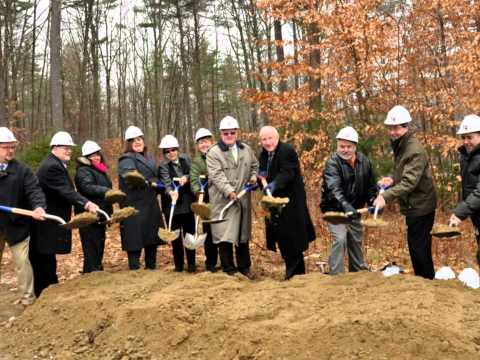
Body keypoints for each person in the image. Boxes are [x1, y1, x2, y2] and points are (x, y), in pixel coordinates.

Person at [30, 131, 99, 296]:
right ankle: (44, 294)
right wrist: (87, 203)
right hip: (45, 222)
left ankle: (48, 290)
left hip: (48, 221)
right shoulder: (52, 166)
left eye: (70, 148)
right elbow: (66, 191)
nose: (69, 151)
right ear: (54, 148)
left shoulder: (55, 164)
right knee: (44, 259)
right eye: (65, 147)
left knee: (47, 258)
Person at [374, 105, 437, 279]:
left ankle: (426, 282)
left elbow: (410, 182)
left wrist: (385, 196)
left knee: (419, 248)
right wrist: (392, 180)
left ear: (406, 127)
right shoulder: (402, 146)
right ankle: (423, 280)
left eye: (397, 128)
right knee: (416, 246)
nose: (393, 132)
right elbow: (404, 172)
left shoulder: (414, 150)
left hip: (421, 205)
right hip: (413, 204)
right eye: (390, 128)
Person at [258, 126, 316, 279]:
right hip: (275, 205)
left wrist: (275, 184)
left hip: (291, 203)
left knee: (293, 239)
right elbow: (262, 175)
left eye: (270, 138)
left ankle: (296, 275)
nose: (267, 142)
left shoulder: (286, 151)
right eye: (264, 139)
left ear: (277, 137)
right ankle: (292, 273)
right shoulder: (263, 155)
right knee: (282, 238)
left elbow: (288, 172)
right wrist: (260, 182)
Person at [206, 116, 258, 277]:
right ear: (221, 133)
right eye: (226, 133)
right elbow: (216, 175)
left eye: (232, 132)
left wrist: (254, 177)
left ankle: (244, 267)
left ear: (236, 132)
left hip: (242, 199)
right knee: (224, 234)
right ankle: (229, 269)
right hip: (223, 201)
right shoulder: (213, 152)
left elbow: (255, 165)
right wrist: (229, 191)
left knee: (242, 235)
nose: (229, 135)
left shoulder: (246, 149)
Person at [320, 126, 376, 275]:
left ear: (355, 146)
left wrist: (372, 200)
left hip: (356, 209)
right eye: (341, 146)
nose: (344, 150)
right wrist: (345, 205)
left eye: (348, 147)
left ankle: (357, 273)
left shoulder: (364, 161)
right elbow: (334, 189)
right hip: (335, 211)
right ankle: (336, 275)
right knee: (340, 239)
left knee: (355, 241)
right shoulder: (332, 163)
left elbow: (370, 185)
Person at [0, 127, 46, 305]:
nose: (10, 150)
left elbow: (34, 190)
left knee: (22, 263)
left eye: (12, 147)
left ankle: (27, 300)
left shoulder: (22, 170)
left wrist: (39, 207)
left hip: (16, 224)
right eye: (6, 147)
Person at [118, 126, 163, 270]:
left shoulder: (149, 158)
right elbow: (131, 177)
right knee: (135, 243)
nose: (137, 142)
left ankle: (151, 269)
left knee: (151, 241)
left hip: (150, 204)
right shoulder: (126, 159)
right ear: (128, 143)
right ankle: (135, 273)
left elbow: (156, 176)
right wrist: (152, 183)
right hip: (134, 207)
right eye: (133, 140)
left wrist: (164, 186)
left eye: (139, 139)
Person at [158, 134, 197, 273]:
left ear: (177, 149)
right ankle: (179, 265)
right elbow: (166, 182)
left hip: (187, 204)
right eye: (167, 151)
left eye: (173, 150)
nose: (171, 153)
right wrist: (170, 192)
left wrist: (186, 177)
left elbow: (193, 173)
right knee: (175, 237)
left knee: (190, 235)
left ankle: (192, 264)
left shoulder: (186, 159)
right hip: (172, 207)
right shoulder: (163, 166)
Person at [74, 140, 113, 273]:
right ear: (86, 157)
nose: (96, 157)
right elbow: (87, 187)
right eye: (92, 155)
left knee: (99, 243)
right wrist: (106, 191)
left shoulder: (99, 170)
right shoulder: (83, 171)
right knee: (91, 244)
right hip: (88, 215)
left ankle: (96, 269)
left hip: (100, 213)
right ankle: (91, 272)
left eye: (97, 154)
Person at [449, 114, 480, 266]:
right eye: (464, 137)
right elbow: (469, 187)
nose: (466, 141)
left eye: (470, 137)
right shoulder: (466, 157)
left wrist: (461, 212)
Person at [190, 128, 218, 272]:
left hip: (220, 198)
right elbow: (194, 179)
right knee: (208, 232)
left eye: (206, 141)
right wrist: (198, 190)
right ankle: (211, 263)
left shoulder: (220, 154)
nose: (204, 145)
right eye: (201, 142)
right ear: (197, 145)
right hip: (206, 199)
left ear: (211, 142)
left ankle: (226, 262)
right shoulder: (196, 162)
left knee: (223, 230)